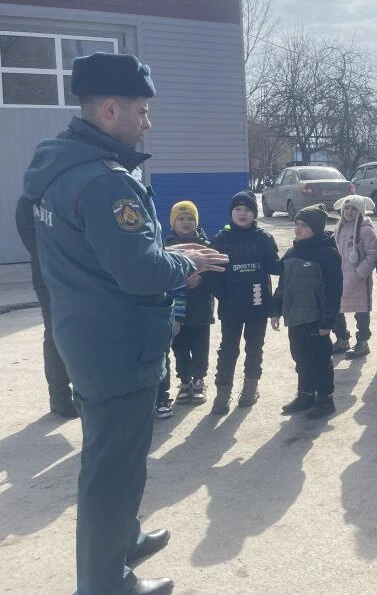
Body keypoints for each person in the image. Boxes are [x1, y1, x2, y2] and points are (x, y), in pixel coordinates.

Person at [22, 52, 228, 595]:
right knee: (112, 470)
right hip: (117, 347)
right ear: (110, 109)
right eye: (142, 110)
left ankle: (123, 538)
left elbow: (81, 247)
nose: (148, 121)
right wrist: (185, 261)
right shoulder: (106, 181)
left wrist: (157, 250)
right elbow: (139, 273)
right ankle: (106, 580)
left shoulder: (56, 161)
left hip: (86, 333)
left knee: (118, 457)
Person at [208, 191, 282, 415]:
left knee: (254, 347)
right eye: (238, 209)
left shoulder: (263, 238)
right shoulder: (221, 238)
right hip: (231, 306)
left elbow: (274, 267)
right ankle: (223, 392)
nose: (242, 213)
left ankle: (250, 387)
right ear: (231, 213)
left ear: (255, 214)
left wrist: (297, 253)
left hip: (257, 304)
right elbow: (211, 272)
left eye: (247, 210)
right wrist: (222, 293)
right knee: (229, 348)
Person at [270, 203, 343, 419]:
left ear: (317, 228)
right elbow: (283, 284)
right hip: (295, 317)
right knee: (300, 357)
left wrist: (328, 321)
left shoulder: (327, 254)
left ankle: (325, 400)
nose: (298, 229)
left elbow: (334, 290)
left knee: (319, 360)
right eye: (297, 225)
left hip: (315, 318)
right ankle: (305, 395)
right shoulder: (293, 251)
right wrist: (276, 309)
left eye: (303, 225)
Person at [15, 193, 76, 418]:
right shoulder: (30, 200)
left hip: (79, 275)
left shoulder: (70, 189)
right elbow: (31, 239)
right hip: (48, 276)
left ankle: (83, 392)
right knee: (55, 333)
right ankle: (60, 398)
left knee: (81, 333)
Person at [163, 200, 215, 410]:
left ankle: (199, 380)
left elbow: (216, 276)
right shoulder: (165, 248)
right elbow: (160, 277)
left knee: (201, 348)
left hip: (201, 309)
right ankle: (184, 382)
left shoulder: (206, 247)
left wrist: (202, 281)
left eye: (190, 218)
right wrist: (179, 280)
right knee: (180, 348)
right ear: (172, 223)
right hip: (176, 312)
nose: (186, 222)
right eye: (181, 218)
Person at [333, 195, 377, 360]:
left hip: (358, 280)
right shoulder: (339, 229)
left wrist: (361, 272)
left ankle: (362, 342)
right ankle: (342, 338)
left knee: (361, 311)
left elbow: (373, 254)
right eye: (346, 208)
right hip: (339, 278)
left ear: (360, 211)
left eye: (354, 209)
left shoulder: (365, 230)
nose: (349, 212)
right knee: (336, 309)